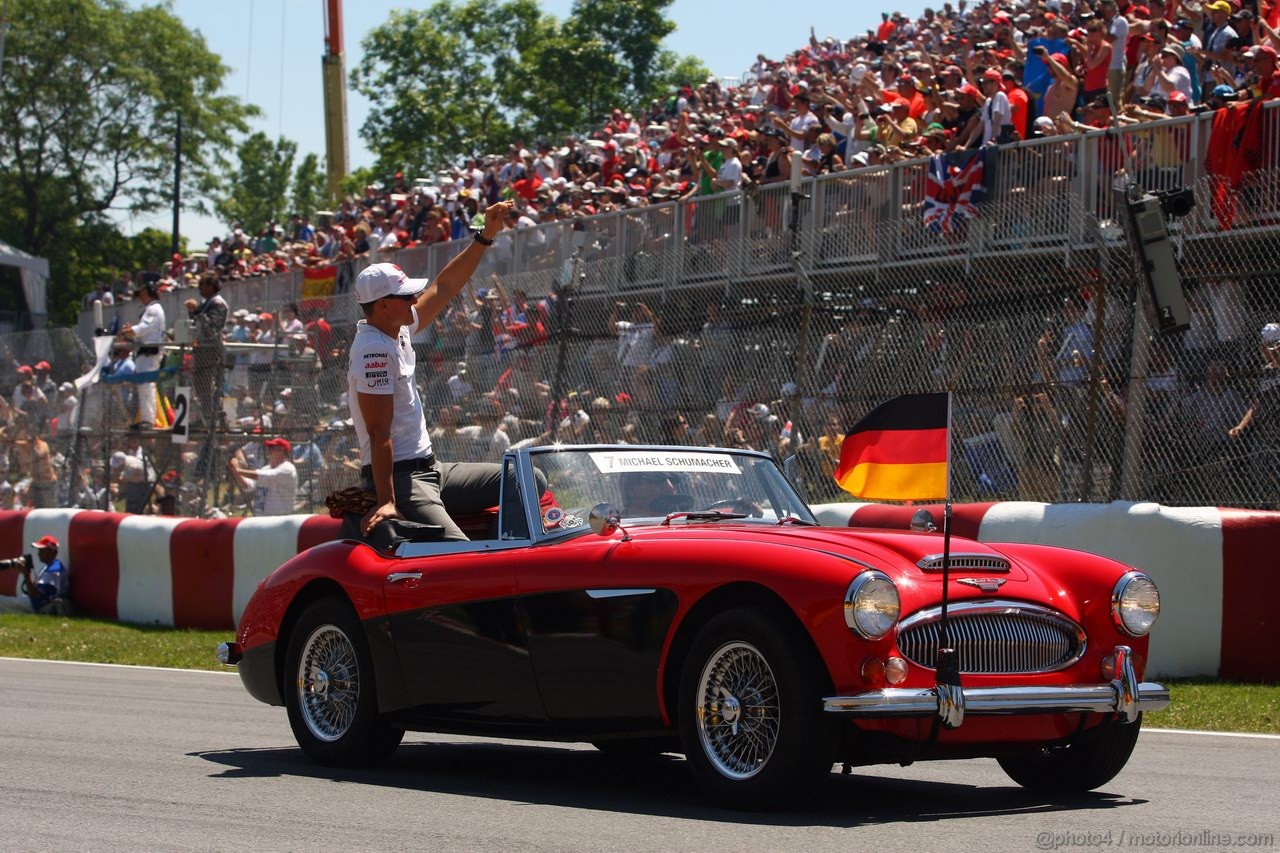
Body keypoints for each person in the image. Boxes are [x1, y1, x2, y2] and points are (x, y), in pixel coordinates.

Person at [350, 199, 530, 541]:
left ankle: (500, 558)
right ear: (384, 305)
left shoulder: (395, 327)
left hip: (431, 469)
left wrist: (485, 236)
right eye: (406, 296)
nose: (415, 298)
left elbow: (445, 287)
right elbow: (378, 433)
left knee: (527, 479)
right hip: (403, 479)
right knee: (459, 553)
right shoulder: (372, 348)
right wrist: (387, 501)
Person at [184, 272, 228, 428]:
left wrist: (199, 311)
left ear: (211, 286)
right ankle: (206, 416)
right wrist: (193, 311)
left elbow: (212, 328)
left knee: (208, 384)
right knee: (200, 385)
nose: (199, 289)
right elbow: (196, 321)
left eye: (203, 285)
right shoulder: (207, 303)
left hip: (211, 348)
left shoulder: (218, 304)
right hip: (201, 347)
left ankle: (216, 418)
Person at [121, 281, 166, 429]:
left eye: (142, 293)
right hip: (146, 352)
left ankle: (148, 420)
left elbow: (143, 328)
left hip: (149, 353)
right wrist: (131, 332)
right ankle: (146, 419)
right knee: (144, 386)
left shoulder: (153, 309)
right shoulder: (152, 309)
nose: (140, 296)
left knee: (146, 386)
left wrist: (129, 331)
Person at [0, 535, 70, 615]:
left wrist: (26, 574)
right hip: (37, 602)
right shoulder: (48, 566)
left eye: (42, 551)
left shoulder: (54, 568)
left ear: (52, 552)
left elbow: (36, 595)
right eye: (39, 551)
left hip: (40, 605)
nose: (38, 554)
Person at [229, 437, 298, 516]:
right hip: (260, 519)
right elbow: (247, 486)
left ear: (281, 451)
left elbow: (260, 476)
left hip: (279, 520)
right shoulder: (267, 468)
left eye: (272, 449)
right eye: (269, 448)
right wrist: (235, 472)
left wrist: (238, 470)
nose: (268, 451)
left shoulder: (287, 468)